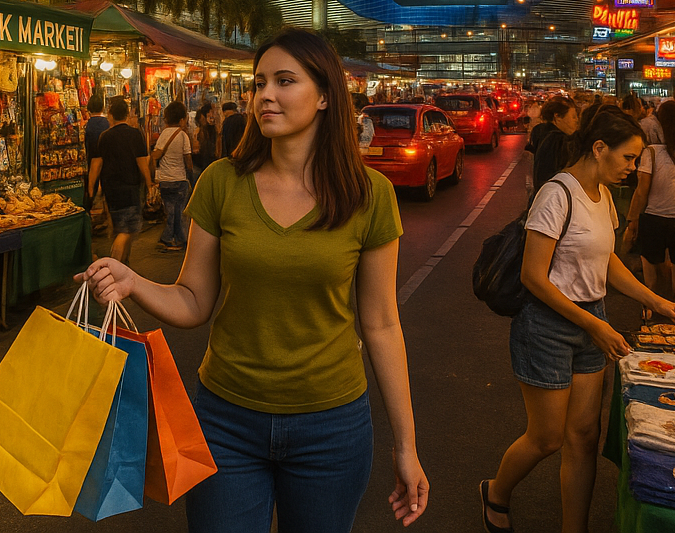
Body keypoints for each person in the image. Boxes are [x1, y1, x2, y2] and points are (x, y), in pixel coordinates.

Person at [78, 28, 428, 532]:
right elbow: (194, 300)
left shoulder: (367, 194)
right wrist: (132, 280)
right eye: (259, 82)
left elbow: (381, 324)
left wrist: (406, 446)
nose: (265, 95)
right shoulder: (223, 181)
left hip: (331, 427)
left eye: (285, 81)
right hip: (226, 420)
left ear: (326, 94)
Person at [482, 106, 675, 533]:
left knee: (584, 437)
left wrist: (657, 300)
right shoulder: (557, 194)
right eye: (628, 157)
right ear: (599, 148)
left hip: (591, 318)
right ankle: (496, 492)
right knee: (547, 438)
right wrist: (595, 326)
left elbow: (608, 260)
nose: (632, 168)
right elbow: (533, 278)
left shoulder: (604, 196)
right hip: (547, 326)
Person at [623, 101, 675, 306]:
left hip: (654, 217)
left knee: (650, 267)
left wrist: (632, 219)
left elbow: (642, 191)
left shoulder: (651, 152)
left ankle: (650, 309)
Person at [88, 96, 154, 265]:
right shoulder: (135, 134)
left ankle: (124, 263)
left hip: (111, 190)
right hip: (130, 187)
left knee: (119, 226)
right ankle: (115, 265)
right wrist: (149, 184)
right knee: (127, 230)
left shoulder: (104, 136)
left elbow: (96, 164)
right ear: (127, 114)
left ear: (110, 115)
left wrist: (91, 189)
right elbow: (142, 162)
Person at [153, 101, 193, 251]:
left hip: (165, 180)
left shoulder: (164, 134)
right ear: (182, 119)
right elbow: (188, 160)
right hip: (179, 179)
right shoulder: (183, 135)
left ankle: (178, 240)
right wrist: (190, 176)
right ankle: (168, 239)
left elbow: (156, 154)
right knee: (179, 212)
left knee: (171, 211)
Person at [531, 96, 580, 193]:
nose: (577, 120)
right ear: (557, 117)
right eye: (573, 116)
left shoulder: (541, 134)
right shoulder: (558, 141)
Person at [83, 93, 110, 228]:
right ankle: (106, 215)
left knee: (91, 189)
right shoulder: (107, 123)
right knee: (106, 189)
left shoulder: (87, 125)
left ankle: (88, 218)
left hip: (91, 161)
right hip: (107, 161)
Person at [193, 101, 219, 178]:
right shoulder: (202, 131)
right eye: (212, 112)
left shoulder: (211, 130)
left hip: (207, 164)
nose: (214, 115)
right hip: (206, 164)